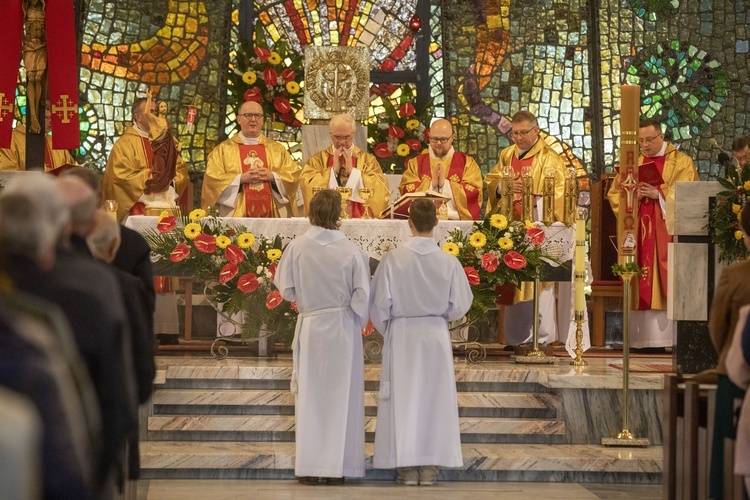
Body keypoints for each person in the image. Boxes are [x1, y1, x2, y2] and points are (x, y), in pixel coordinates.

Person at [370, 198, 472, 486]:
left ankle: (406, 465)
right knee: (433, 400)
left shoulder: (393, 259)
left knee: (405, 399)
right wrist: (438, 318)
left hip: (403, 334)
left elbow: (379, 305)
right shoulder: (449, 261)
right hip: (435, 335)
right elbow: (461, 304)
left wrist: (390, 327)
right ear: (437, 223)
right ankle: (429, 468)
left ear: (409, 223)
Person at [274, 189, 370, 484]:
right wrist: (353, 316)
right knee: (342, 397)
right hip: (342, 328)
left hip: (313, 327)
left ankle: (311, 468)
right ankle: (338, 469)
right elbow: (362, 295)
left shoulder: (298, 247)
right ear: (338, 214)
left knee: (311, 398)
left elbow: (285, 289)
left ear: (311, 212)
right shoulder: (351, 250)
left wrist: (309, 298)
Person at [607, 118, 699, 350]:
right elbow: (613, 195)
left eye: (649, 139)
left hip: (665, 232)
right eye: (640, 141)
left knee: (663, 278)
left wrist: (658, 193)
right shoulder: (632, 162)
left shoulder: (681, 161)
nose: (645, 145)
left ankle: (666, 340)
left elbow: (689, 195)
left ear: (661, 136)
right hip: (637, 231)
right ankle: (639, 340)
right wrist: (631, 195)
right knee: (638, 276)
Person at [484, 111, 566, 346]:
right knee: (513, 281)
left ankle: (542, 340)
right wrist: (502, 187)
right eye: (514, 133)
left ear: (536, 131)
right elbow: (492, 182)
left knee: (538, 283)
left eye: (523, 133)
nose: (518, 138)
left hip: (538, 231)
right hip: (510, 229)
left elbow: (559, 195)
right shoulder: (507, 154)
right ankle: (515, 339)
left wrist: (534, 198)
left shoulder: (550, 159)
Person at [707, 202, 750, 500]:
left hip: (735, 379)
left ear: (744, 232)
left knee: (725, 462)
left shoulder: (736, 275)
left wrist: (730, 356)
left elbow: (717, 327)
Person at [201, 100, 300, 217]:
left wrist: (273, 177)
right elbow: (212, 180)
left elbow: (294, 176)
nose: (253, 119)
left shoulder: (277, 149)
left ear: (262, 120)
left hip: (271, 214)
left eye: (257, 115)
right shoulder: (222, 150)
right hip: (236, 216)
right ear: (238, 119)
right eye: (248, 115)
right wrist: (241, 178)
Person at [102, 96, 190, 221]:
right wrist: (152, 176)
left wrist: (168, 178)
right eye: (152, 112)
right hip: (136, 208)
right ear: (138, 117)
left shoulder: (165, 141)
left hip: (167, 205)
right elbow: (118, 178)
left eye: (156, 112)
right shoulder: (124, 143)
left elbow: (180, 170)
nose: (156, 116)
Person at [300, 113, 389, 217]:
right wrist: (333, 171)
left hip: (358, 216)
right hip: (326, 216)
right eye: (337, 137)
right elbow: (307, 184)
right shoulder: (317, 160)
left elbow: (381, 188)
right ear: (330, 134)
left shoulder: (368, 160)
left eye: (347, 137)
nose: (342, 142)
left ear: (353, 134)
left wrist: (353, 172)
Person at [399, 118, 483, 220]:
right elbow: (406, 190)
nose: (438, 143)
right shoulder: (416, 163)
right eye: (434, 139)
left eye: (443, 139)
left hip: (456, 225)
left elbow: (475, 192)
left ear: (452, 137)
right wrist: (431, 185)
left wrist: (445, 184)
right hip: (422, 224)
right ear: (429, 136)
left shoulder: (467, 163)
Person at [0, 106, 75, 171]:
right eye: (46, 118)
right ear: (34, 118)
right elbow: (7, 170)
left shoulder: (55, 142)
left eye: (52, 118)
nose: (51, 122)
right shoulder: (11, 140)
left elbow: (71, 168)